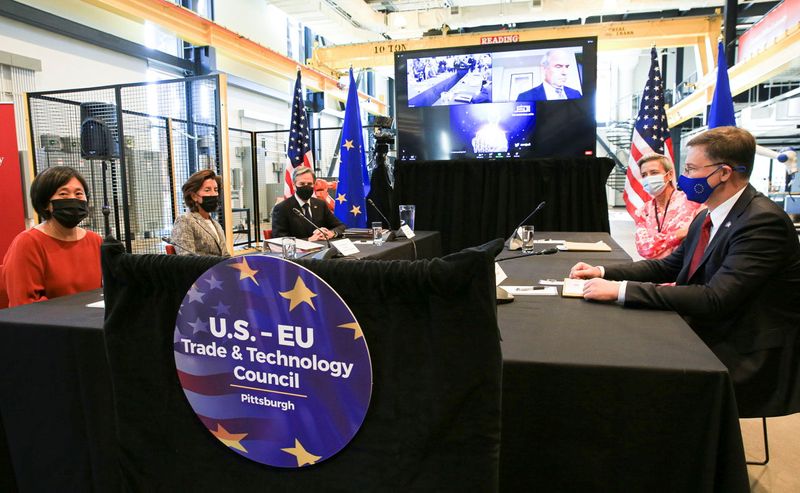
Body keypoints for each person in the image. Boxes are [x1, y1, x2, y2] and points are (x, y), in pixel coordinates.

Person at [569, 126, 800, 416]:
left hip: (745, 349)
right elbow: (670, 265)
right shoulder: (707, 214)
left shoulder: (761, 222)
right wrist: (604, 272)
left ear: (724, 173)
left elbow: (715, 298)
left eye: (690, 169)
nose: (683, 179)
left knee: (630, 364)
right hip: (713, 325)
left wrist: (621, 291)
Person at [1, 165, 102, 308]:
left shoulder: (95, 241)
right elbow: (24, 304)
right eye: (63, 194)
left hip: (92, 322)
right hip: (48, 326)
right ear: (46, 204)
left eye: (79, 193)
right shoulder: (28, 243)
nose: (73, 199)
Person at [633, 154, 703, 259]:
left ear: (669, 175)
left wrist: (657, 243)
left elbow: (699, 241)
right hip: (653, 271)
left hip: (685, 270)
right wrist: (678, 235)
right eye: (644, 175)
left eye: (654, 173)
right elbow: (644, 249)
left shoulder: (694, 203)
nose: (648, 178)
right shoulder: (642, 212)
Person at [272, 166, 345, 241]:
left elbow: (340, 226)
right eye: (302, 184)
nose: (306, 187)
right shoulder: (282, 208)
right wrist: (309, 239)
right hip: (299, 252)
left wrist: (331, 233)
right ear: (294, 186)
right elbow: (279, 239)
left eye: (310, 184)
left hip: (323, 249)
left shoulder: (320, 205)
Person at [170, 169, 230, 256]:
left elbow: (225, 255)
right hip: (203, 269)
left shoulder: (216, 224)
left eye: (216, 190)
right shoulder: (185, 221)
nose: (213, 194)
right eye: (207, 190)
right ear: (194, 196)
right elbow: (186, 259)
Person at [516, 49, 582, 102]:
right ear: (544, 68)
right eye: (558, 66)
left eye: (567, 66)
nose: (564, 72)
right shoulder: (525, 97)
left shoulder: (576, 94)